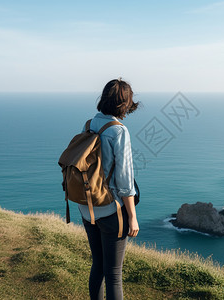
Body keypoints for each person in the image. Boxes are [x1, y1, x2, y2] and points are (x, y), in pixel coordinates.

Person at [79, 78, 139, 300]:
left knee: (98, 266)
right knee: (114, 274)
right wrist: (132, 217)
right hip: (110, 210)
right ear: (124, 104)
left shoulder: (89, 125)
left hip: (87, 208)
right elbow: (125, 182)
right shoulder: (119, 131)